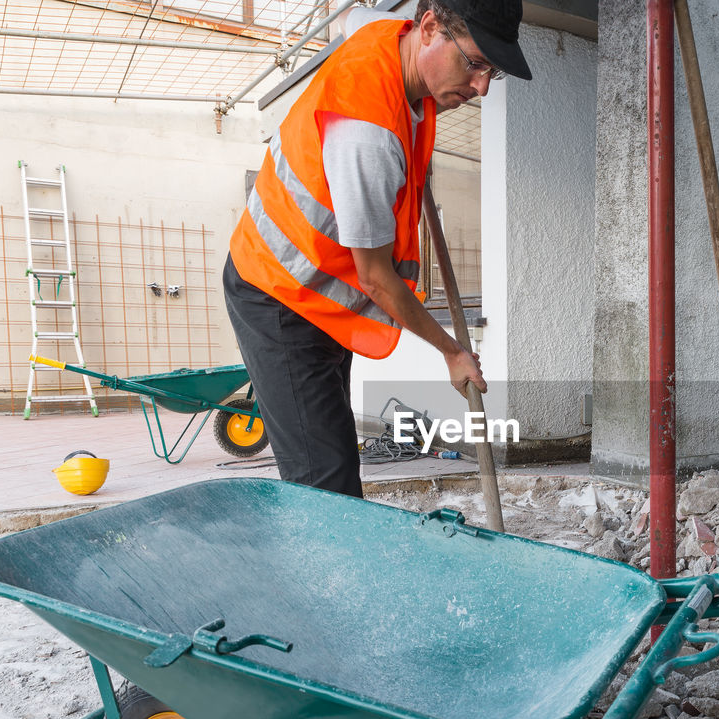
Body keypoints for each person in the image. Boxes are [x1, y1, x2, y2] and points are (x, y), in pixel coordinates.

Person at [223, 0, 531, 497]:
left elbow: (353, 19)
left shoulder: (392, 34)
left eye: (491, 71)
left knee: (332, 445)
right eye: (474, 64)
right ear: (429, 26)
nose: (480, 87)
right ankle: (326, 570)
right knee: (324, 478)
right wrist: (452, 351)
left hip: (320, 293)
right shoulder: (366, 134)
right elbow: (375, 278)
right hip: (277, 291)